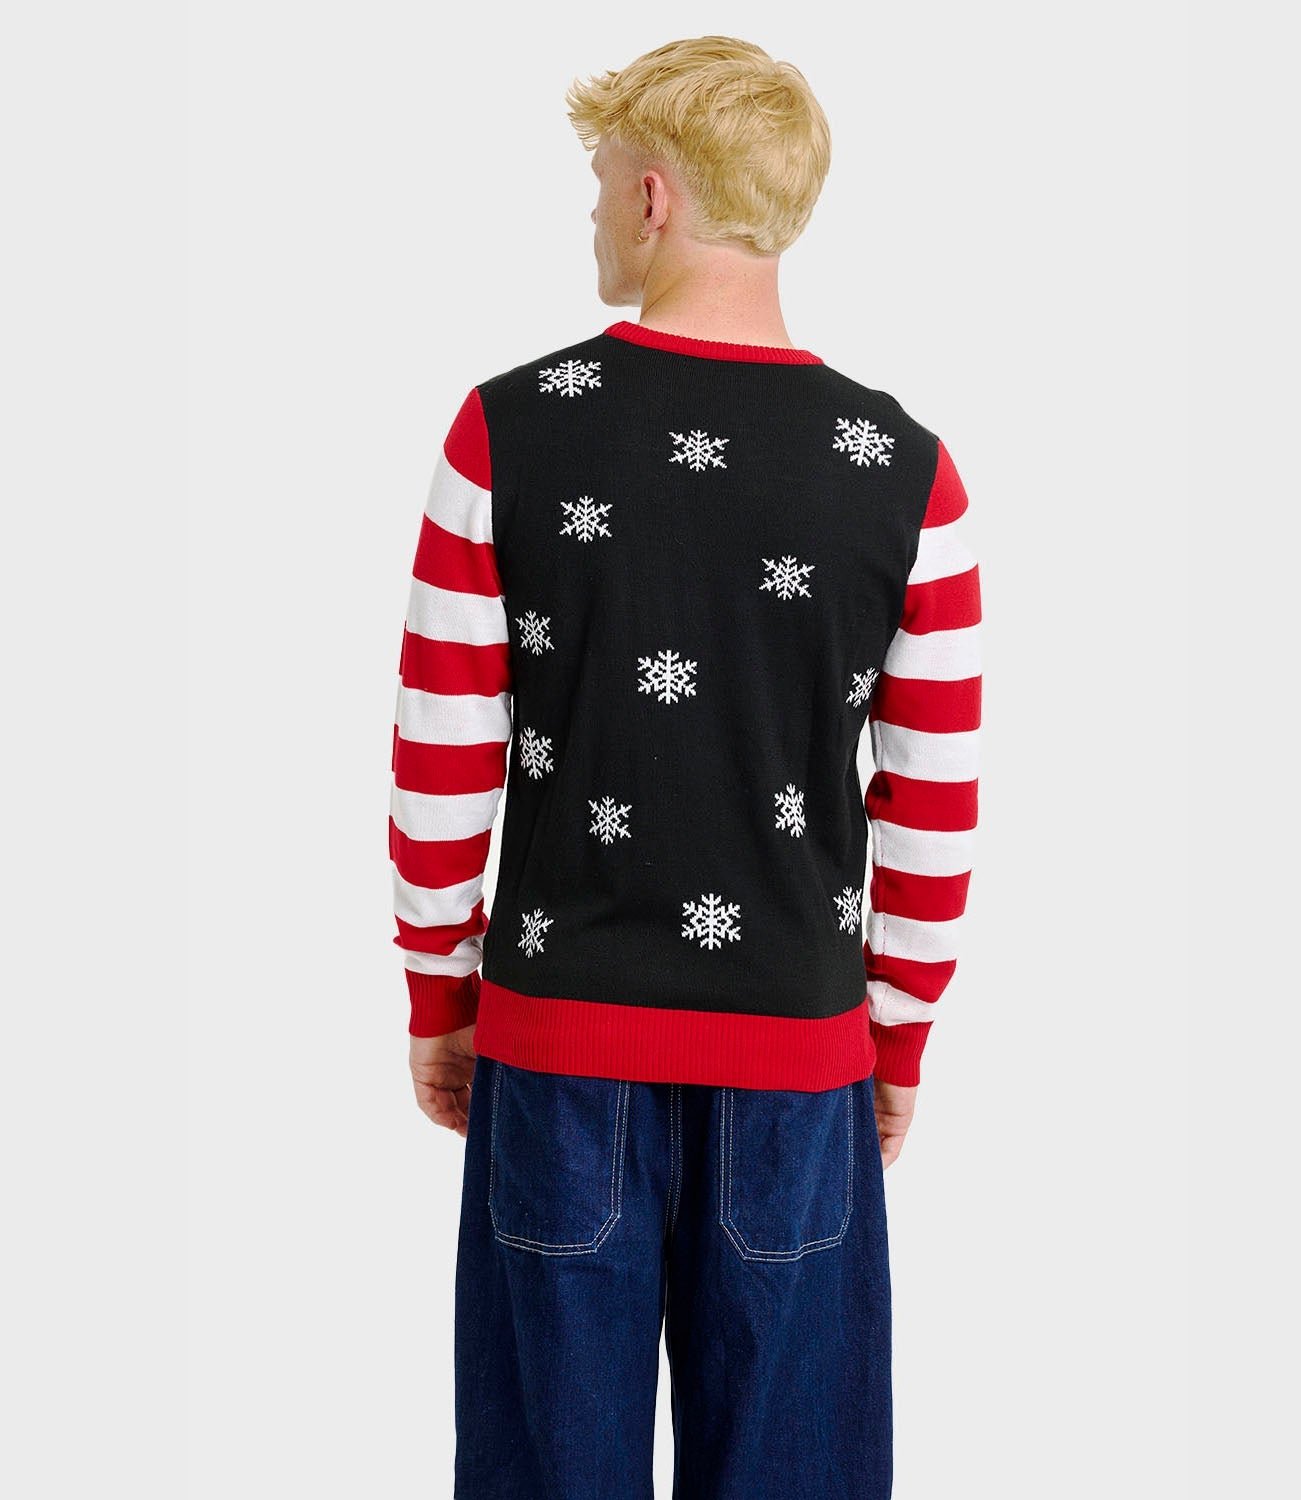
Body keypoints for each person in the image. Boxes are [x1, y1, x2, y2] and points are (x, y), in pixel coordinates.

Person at [388, 34, 982, 1499]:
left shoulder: (505, 431)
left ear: (653, 196)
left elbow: (443, 751)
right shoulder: (909, 472)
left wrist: (439, 993)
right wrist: (896, 1036)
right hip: (796, 1055)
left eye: (599, 180)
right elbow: (932, 804)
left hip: (558, 1049)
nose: (591, 210)